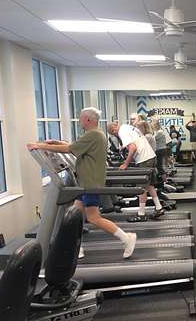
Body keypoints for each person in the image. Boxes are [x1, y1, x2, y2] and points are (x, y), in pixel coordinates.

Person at [27, 107, 137, 259]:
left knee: (93, 218)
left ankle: (126, 238)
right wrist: (55, 142)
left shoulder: (93, 135)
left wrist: (40, 146)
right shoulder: (96, 134)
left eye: (80, 118)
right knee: (75, 216)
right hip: (85, 182)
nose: (79, 121)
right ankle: (77, 247)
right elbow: (76, 146)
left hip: (89, 184)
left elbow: (70, 149)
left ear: (88, 119)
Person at [108, 121, 165, 222]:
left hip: (144, 159)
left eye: (113, 134)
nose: (115, 135)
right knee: (149, 185)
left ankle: (141, 214)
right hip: (151, 156)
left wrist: (126, 163)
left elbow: (133, 148)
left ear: (114, 130)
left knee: (141, 188)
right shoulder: (127, 127)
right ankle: (158, 207)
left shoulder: (121, 132)